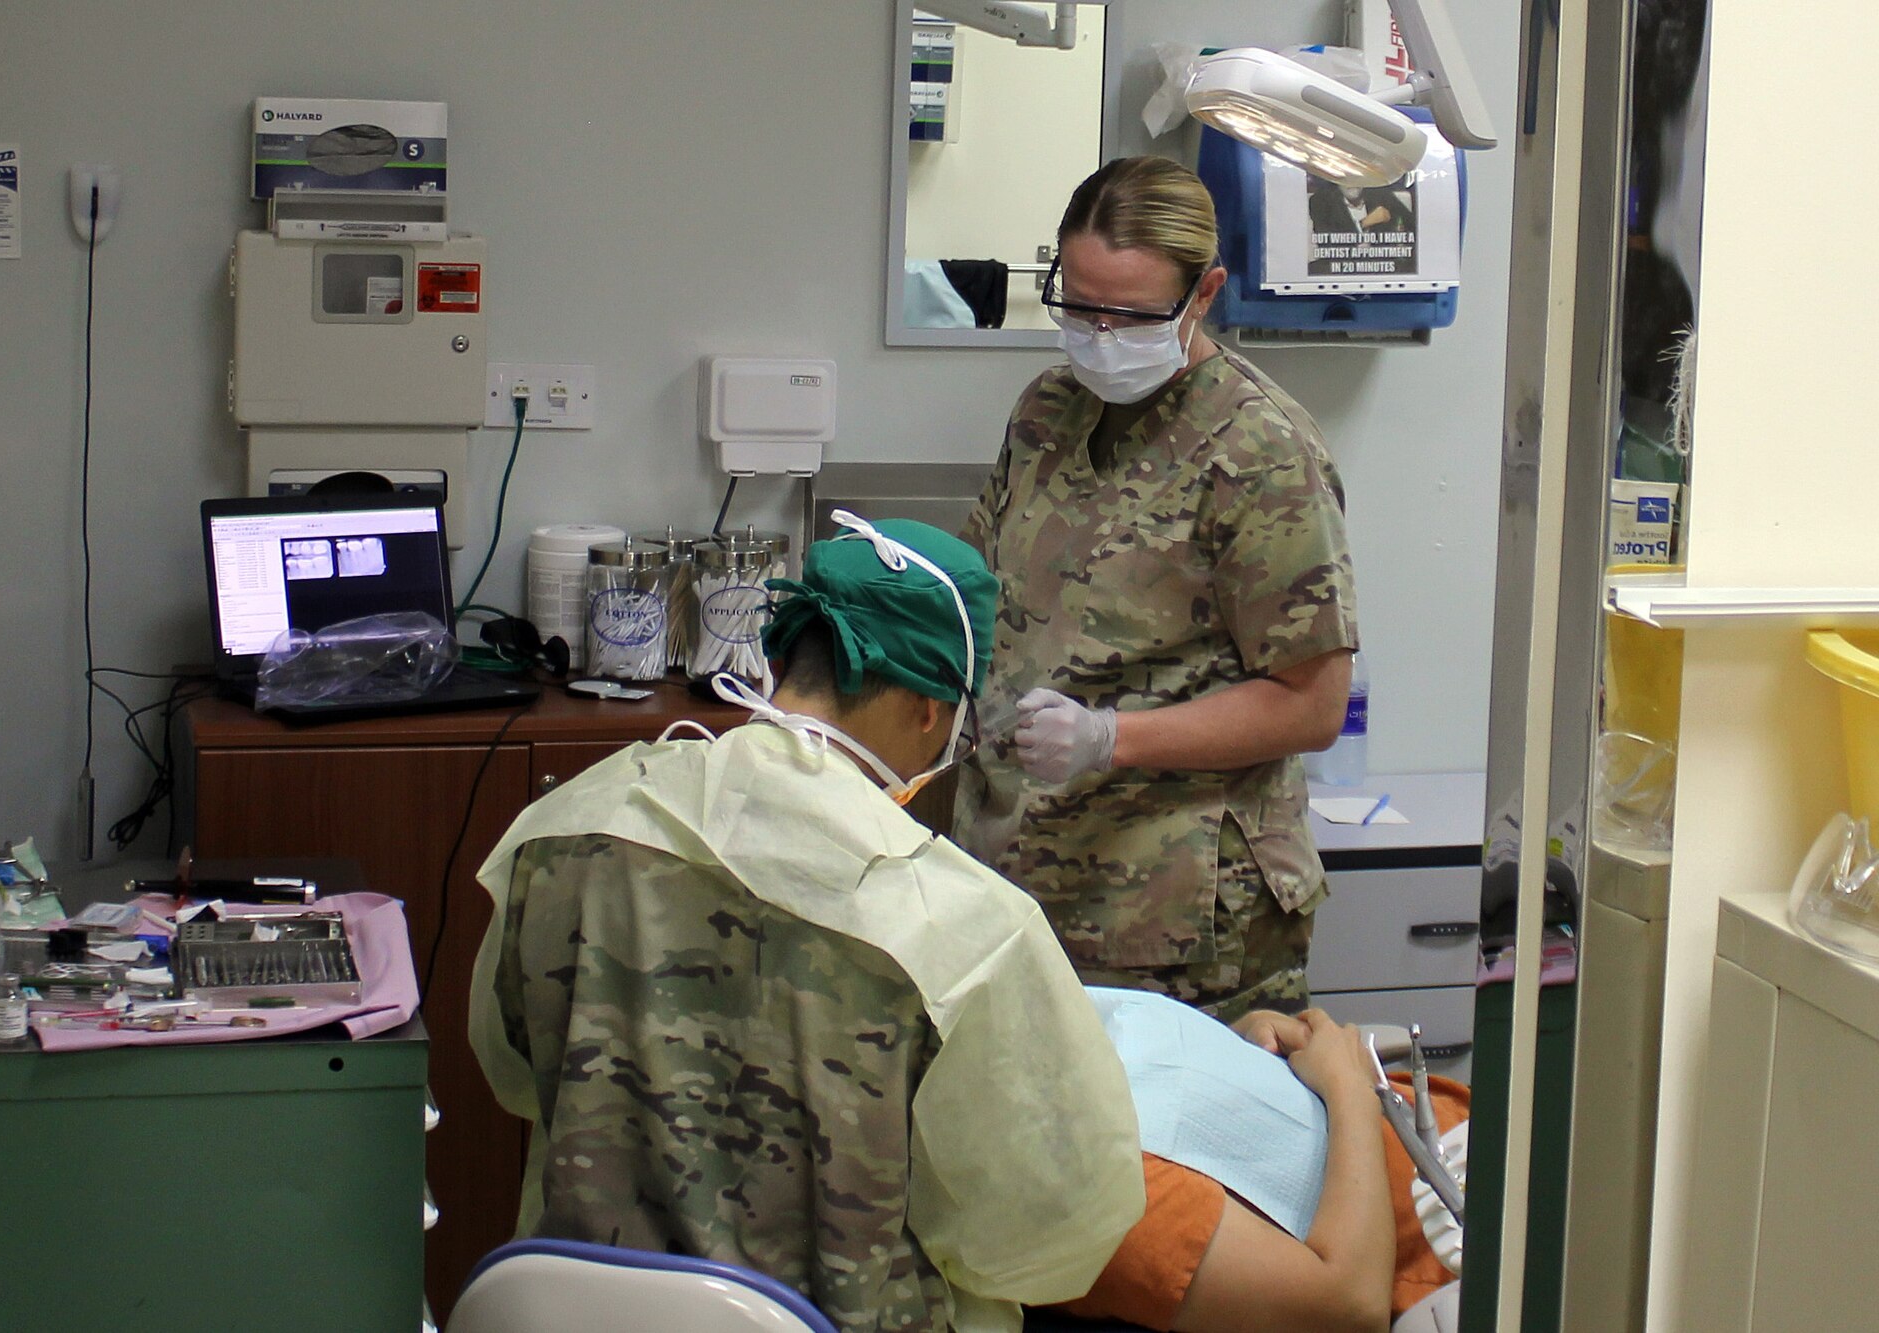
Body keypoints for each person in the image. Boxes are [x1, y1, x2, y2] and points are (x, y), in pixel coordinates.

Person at [468, 513, 1146, 1333]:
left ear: (783, 659)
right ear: (935, 711)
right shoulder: (965, 930)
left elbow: (509, 1067)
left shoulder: (568, 828)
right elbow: (1053, 1234)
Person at [957, 155, 1359, 1021]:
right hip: (1025, 890)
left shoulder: (1259, 452)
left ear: (1204, 292)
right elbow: (981, 592)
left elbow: (1311, 704)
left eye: (1131, 314)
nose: (1099, 334)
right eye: (1079, 304)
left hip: (1182, 928)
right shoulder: (1048, 412)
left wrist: (1111, 738)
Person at [1064, 999, 1469, 1333]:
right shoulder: (1093, 1189)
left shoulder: (1058, 1024)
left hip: (1460, 1129)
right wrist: (1350, 1085)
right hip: (1458, 1240)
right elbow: (1349, 1307)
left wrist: (1236, 1043)